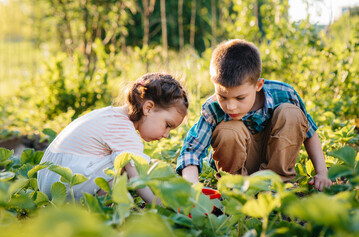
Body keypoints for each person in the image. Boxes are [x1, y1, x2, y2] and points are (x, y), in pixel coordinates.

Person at [176, 39, 331, 191]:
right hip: (237, 170)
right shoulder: (213, 108)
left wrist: (322, 173)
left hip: (276, 157)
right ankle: (237, 189)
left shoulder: (284, 93)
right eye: (223, 96)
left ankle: (275, 186)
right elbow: (192, 150)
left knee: (291, 113)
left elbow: (309, 133)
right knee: (228, 131)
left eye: (240, 98)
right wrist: (192, 187)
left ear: (258, 85)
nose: (230, 106)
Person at [38, 73, 188, 201]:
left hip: (49, 179)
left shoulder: (111, 115)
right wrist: (160, 203)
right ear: (148, 108)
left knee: (129, 162)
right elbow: (138, 180)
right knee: (127, 168)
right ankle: (100, 208)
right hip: (65, 186)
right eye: (168, 125)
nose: (166, 135)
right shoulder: (125, 131)